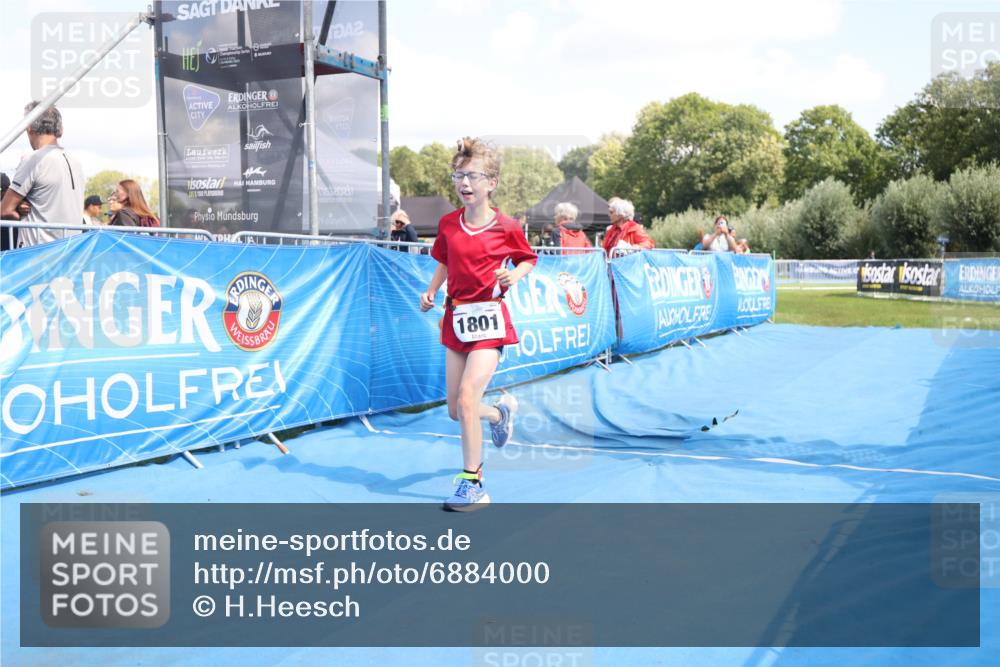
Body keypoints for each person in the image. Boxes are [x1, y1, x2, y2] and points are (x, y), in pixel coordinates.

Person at [419, 137, 537, 512]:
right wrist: (432, 291)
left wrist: (514, 276)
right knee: (457, 409)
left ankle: (473, 484)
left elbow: (528, 258)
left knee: (468, 397)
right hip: (456, 318)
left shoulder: (506, 226)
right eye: (458, 176)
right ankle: (499, 413)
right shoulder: (448, 224)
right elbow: (444, 260)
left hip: (489, 321)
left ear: (492, 182)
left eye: (472, 176)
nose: (464, 184)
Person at [1, 102, 85, 247]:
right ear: (60, 131)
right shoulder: (76, 163)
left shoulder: (33, 159)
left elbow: (4, 211)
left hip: (39, 254)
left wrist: (18, 211)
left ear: (29, 128)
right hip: (71, 252)